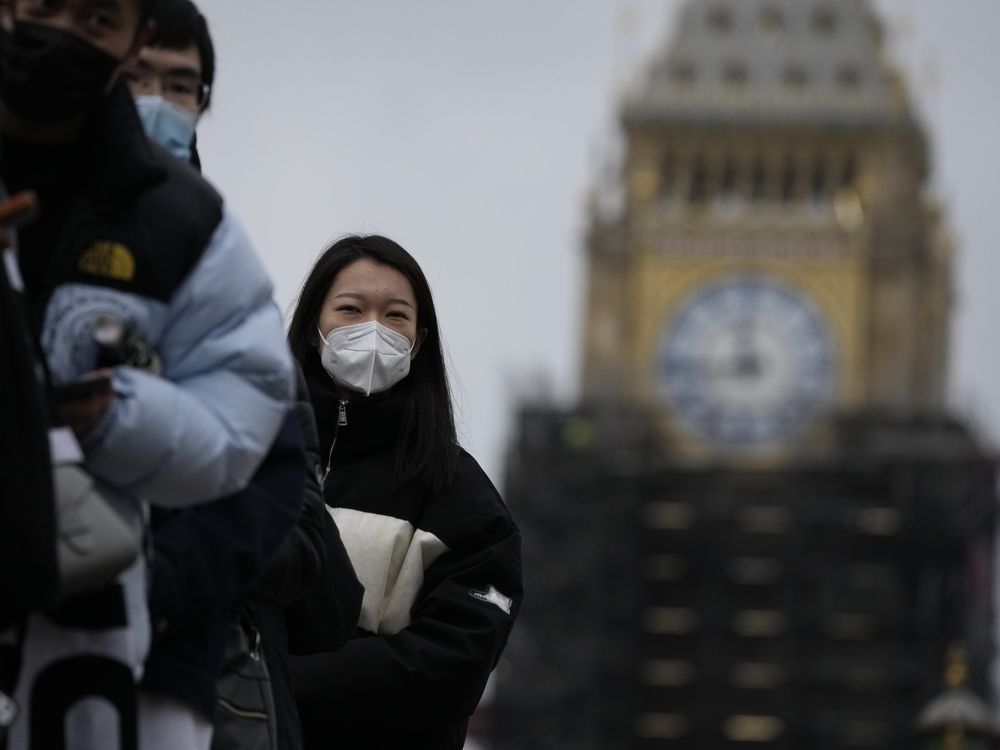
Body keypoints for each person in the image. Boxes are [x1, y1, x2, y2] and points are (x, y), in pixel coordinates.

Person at [0, 0, 296, 747]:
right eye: (45, 8)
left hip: (123, 645)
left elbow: (260, 439)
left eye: (97, 19)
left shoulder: (190, 229)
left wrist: (113, 419)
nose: (63, 37)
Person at [124, 4, 362, 749]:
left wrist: (175, 562)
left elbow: (306, 547)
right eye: (136, 78)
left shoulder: (227, 292)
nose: (158, 103)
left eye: (180, 85)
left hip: (212, 696)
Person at [286, 234, 523, 750]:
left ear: (418, 342)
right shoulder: (249, 457)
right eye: (350, 308)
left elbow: (451, 663)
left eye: (395, 315)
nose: (372, 329)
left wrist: (279, 685)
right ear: (312, 329)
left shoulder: (461, 497)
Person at [124, 0, 212, 166]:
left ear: (201, 105)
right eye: (132, 77)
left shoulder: (198, 192)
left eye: (179, 88)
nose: (156, 100)